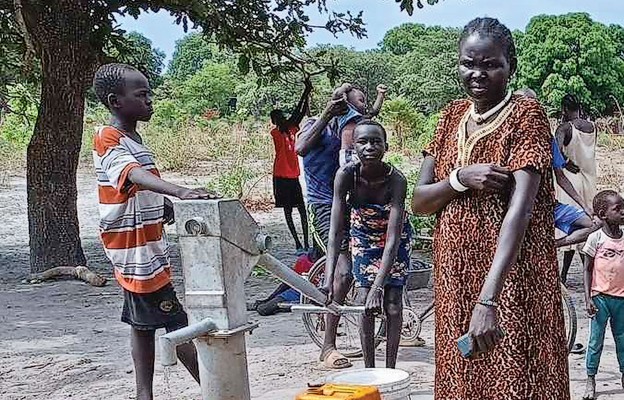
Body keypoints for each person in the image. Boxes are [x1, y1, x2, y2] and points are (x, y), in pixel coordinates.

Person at [412, 17, 569, 399]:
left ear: (509, 68)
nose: (478, 74)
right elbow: (419, 201)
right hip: (455, 279)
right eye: (470, 63)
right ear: (458, 63)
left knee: (515, 375)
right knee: (463, 376)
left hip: (510, 279)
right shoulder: (450, 116)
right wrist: (459, 178)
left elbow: (522, 210)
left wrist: (489, 298)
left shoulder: (525, 114)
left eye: (490, 64)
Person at [92, 63, 215, 400]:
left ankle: (143, 394)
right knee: (177, 323)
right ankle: (216, 389)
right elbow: (130, 175)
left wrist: (167, 207)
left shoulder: (136, 138)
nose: (149, 100)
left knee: (142, 324)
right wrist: (180, 191)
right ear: (116, 101)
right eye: (141, 94)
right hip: (132, 249)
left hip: (147, 243)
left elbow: (143, 191)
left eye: (149, 93)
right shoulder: (107, 136)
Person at [325, 120, 411, 369]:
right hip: (362, 236)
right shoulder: (346, 175)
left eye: (376, 141)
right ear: (353, 147)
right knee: (365, 305)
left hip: (395, 240)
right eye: (363, 141)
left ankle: (391, 371)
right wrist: (328, 278)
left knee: (393, 307)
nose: (370, 146)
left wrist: (378, 287)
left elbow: (393, 239)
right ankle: (370, 371)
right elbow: (335, 230)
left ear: (386, 146)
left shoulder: (396, 180)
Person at [295, 83, 367, 369]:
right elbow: (300, 148)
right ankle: (328, 347)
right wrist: (326, 114)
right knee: (343, 272)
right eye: (358, 101)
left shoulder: (351, 129)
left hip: (351, 205)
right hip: (324, 207)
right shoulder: (316, 124)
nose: (363, 106)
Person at [581, 190, 624, 400]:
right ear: (603, 214)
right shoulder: (595, 238)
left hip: (622, 299)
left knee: (622, 341)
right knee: (595, 342)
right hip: (600, 298)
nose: (623, 212)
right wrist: (588, 297)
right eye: (618, 209)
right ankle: (590, 378)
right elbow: (587, 269)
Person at [556, 94, 598, 281]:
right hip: (590, 179)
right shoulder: (592, 127)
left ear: (564, 109)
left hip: (570, 180)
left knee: (572, 228)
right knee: (589, 225)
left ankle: (564, 275)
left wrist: (565, 162)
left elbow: (554, 153)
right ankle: (589, 273)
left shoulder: (564, 128)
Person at [270, 79, 313, 254]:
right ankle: (297, 244)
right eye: (277, 117)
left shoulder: (292, 128)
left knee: (302, 210)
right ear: (274, 121)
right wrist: (306, 92)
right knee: (288, 211)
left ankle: (306, 243)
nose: (280, 118)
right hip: (280, 176)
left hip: (292, 176)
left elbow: (299, 111)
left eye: (281, 115)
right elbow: (297, 113)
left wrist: (306, 92)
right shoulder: (276, 132)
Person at [248, 247, 321, 316]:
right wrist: (270, 298)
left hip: (307, 294)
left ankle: (282, 305)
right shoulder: (303, 260)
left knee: (263, 309)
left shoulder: (311, 261)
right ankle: (268, 302)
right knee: (265, 306)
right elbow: (289, 281)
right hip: (298, 289)